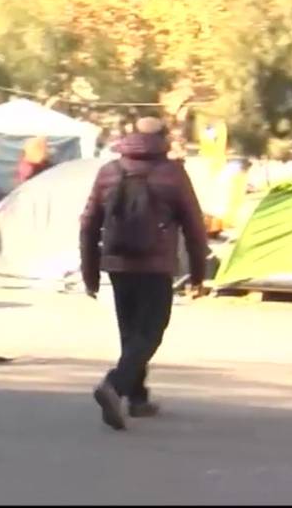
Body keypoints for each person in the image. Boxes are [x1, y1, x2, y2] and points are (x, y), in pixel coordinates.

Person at [80, 116, 209, 431]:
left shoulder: (108, 172)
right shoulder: (173, 174)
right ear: (163, 138)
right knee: (151, 331)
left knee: (130, 332)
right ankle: (115, 385)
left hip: (117, 264)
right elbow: (194, 226)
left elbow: (88, 223)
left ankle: (137, 399)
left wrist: (90, 272)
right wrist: (198, 273)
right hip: (156, 265)